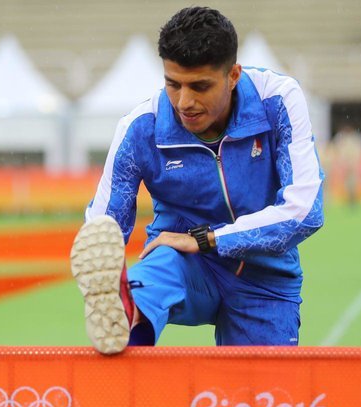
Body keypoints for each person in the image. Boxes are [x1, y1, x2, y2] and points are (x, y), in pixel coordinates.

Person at [70, 6, 325, 354]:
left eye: (200, 86)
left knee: (259, 405)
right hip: (184, 266)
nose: (184, 102)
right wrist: (104, 271)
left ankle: (133, 311)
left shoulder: (277, 100)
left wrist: (208, 239)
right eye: (172, 84)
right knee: (157, 271)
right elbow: (102, 227)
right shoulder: (141, 126)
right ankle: (130, 316)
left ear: (233, 75)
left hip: (265, 278)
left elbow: (304, 210)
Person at [329, 125, 361, 207]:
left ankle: (354, 200)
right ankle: (350, 200)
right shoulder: (340, 138)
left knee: (354, 183)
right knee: (347, 184)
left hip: (354, 165)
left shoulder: (356, 139)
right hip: (345, 165)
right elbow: (336, 151)